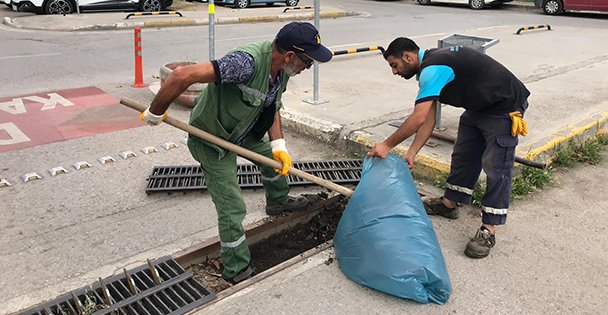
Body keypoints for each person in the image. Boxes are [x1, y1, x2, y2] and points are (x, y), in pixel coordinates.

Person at [140, 22, 333, 283]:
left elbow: (272, 104)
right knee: (232, 206)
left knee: (274, 163)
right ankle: (236, 268)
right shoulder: (246, 63)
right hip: (212, 138)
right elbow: (181, 76)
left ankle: (277, 202)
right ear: (290, 55)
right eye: (307, 61)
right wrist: (155, 111)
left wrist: (278, 146)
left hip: (244, 129)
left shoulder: (282, 70)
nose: (308, 67)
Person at [368, 37, 530, 259]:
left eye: (394, 65)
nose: (394, 72)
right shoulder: (430, 67)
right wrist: (412, 153)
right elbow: (428, 119)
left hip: (503, 106)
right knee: (464, 154)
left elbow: (418, 118)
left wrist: (386, 145)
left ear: (408, 56)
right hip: (478, 106)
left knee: (496, 165)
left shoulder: (433, 69)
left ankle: (488, 229)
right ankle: (450, 203)